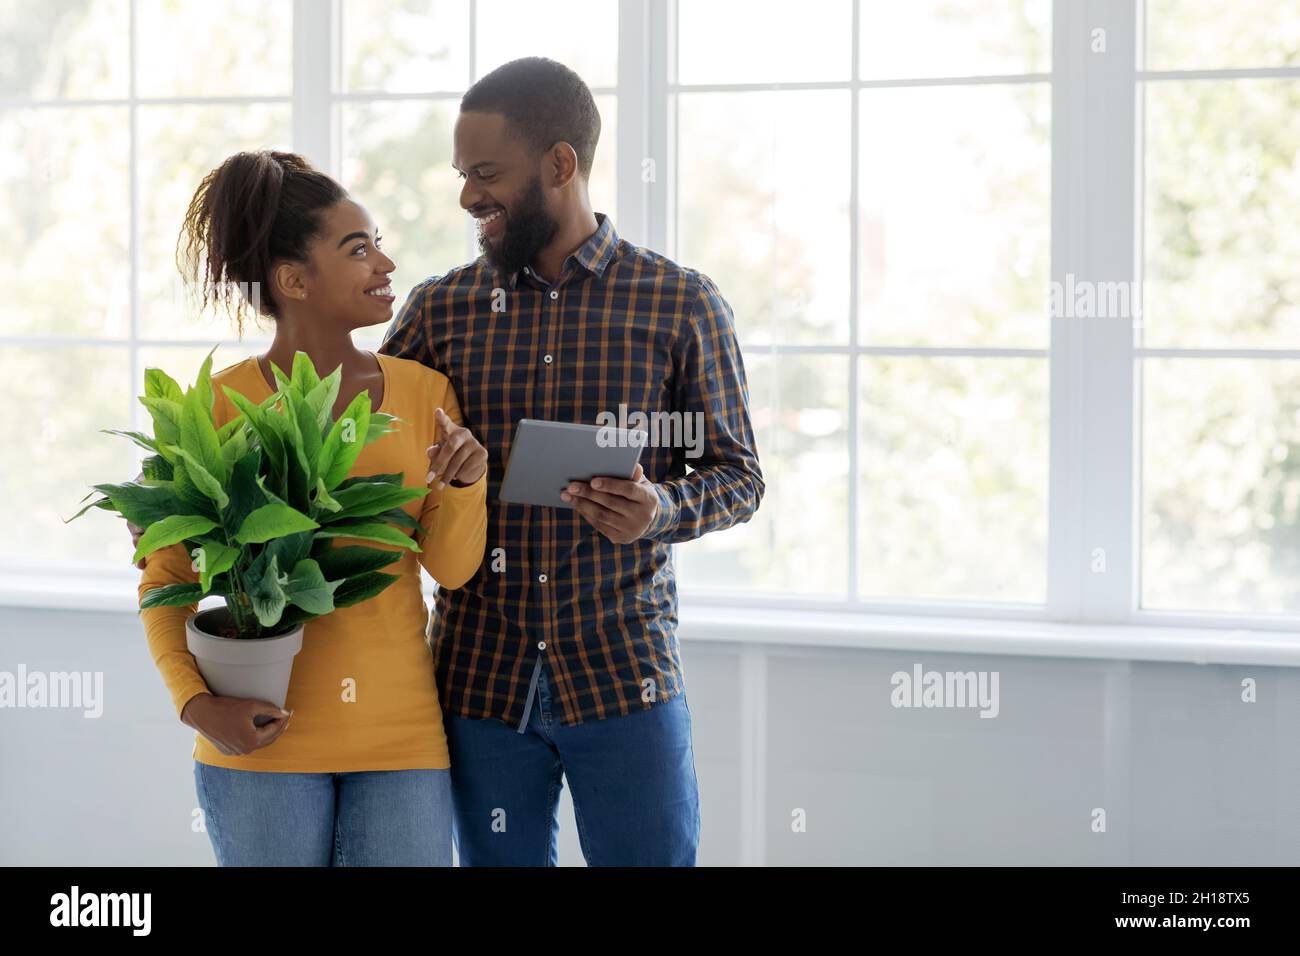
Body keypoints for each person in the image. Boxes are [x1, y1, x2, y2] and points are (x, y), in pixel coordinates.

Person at [380, 57, 764, 866]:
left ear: (561, 164)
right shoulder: (440, 308)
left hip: (625, 676)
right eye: (462, 174)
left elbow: (738, 476)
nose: (466, 197)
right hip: (481, 678)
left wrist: (661, 508)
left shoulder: (680, 303)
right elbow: (365, 455)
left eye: (486, 173)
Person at [138, 150, 489, 866]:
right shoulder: (215, 405)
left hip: (403, 737)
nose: (386, 265)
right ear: (294, 280)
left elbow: (452, 572)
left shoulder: (427, 394)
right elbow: (164, 579)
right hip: (256, 738)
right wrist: (196, 705)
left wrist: (464, 484)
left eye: (379, 243)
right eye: (358, 249)